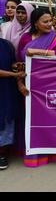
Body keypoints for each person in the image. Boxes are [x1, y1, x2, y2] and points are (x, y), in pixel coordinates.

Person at [16, 8, 56, 167]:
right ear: (35, 23)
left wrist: (36, 52)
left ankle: (54, 154)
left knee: (50, 118)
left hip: (50, 85)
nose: (49, 24)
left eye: (50, 21)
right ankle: (34, 154)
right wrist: (19, 83)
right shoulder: (25, 38)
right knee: (32, 120)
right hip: (30, 86)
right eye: (45, 22)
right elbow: (19, 64)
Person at [0, 38, 25, 170]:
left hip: (7, 89)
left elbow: (11, 63)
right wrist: (14, 74)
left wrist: (16, 66)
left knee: (6, 117)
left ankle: (2, 153)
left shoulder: (6, 44)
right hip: (7, 83)